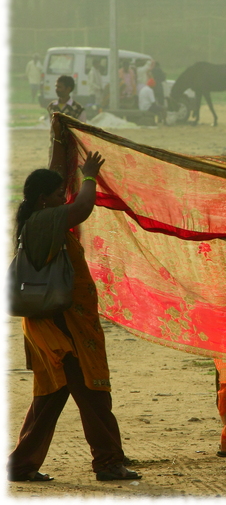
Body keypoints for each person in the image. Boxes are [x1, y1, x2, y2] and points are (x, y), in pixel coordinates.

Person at [7, 121, 141, 483]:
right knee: (94, 395)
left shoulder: (37, 220)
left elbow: (65, 197)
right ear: (43, 200)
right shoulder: (44, 221)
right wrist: (90, 177)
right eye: (56, 194)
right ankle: (109, 463)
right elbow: (82, 208)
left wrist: (59, 140)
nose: (61, 198)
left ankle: (20, 466)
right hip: (64, 327)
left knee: (51, 396)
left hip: (52, 324)